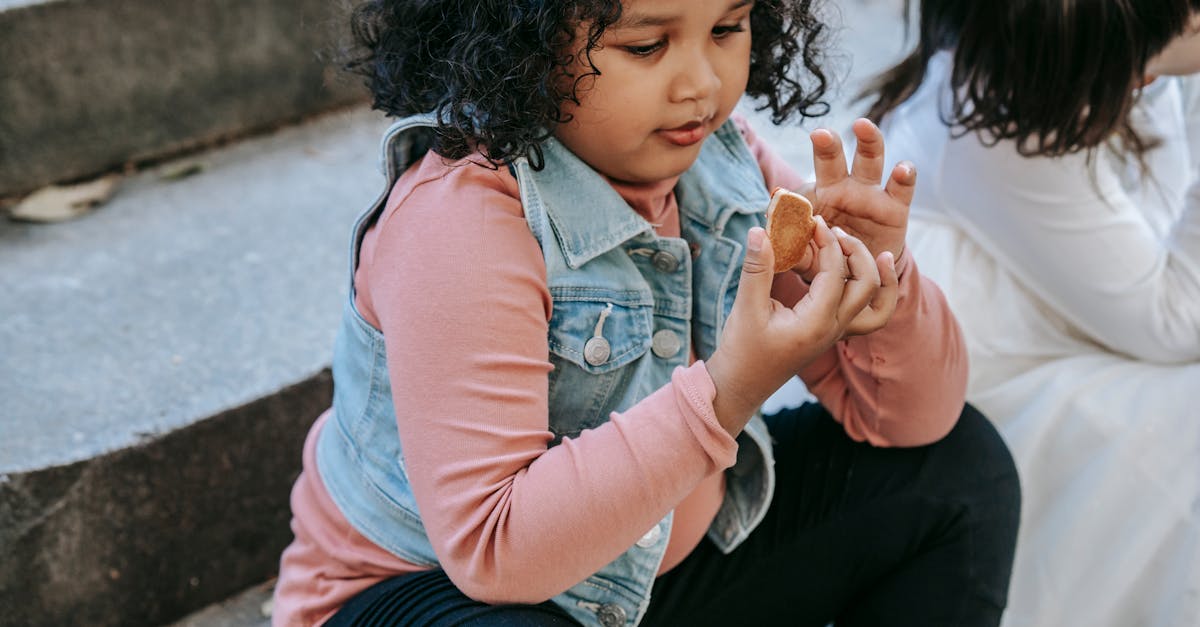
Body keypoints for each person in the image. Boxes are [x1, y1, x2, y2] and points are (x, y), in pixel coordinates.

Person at [271, 0, 1021, 625]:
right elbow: (493, 549)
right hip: (436, 594)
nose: (701, 81)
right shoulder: (460, 218)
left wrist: (879, 289)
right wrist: (727, 393)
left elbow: (912, 420)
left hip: (655, 567)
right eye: (647, 44)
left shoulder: (725, 159)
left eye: (727, 29)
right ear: (522, 43)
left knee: (959, 472)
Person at [864, 1, 1200, 626]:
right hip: (984, 383)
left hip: (1068, 319)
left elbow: (1155, 223)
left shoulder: (1068, 66)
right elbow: (1174, 321)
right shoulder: (1007, 132)